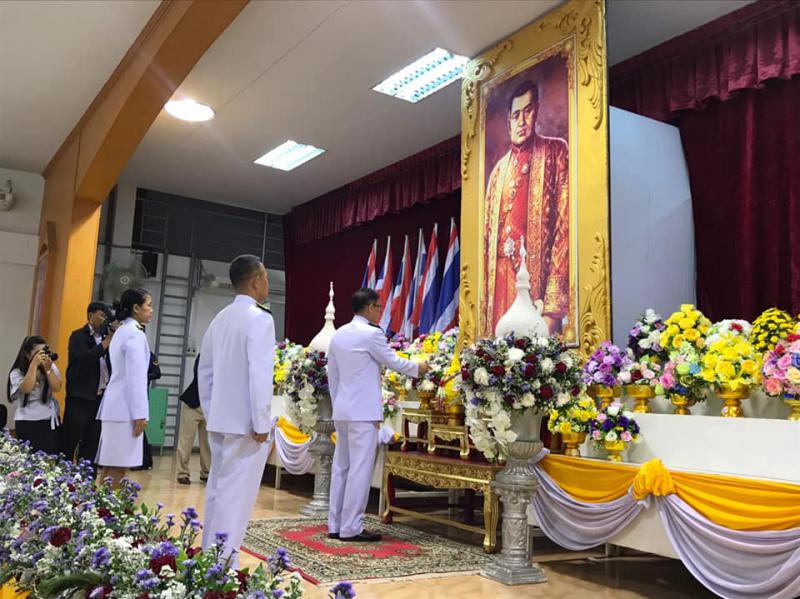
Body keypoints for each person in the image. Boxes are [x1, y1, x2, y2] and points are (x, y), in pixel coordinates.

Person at [327, 287, 428, 542]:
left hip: (343, 410)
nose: (380, 312)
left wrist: (338, 405)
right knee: (359, 470)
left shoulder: (339, 334)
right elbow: (393, 361)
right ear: (370, 307)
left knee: (341, 468)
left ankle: (335, 524)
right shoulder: (371, 334)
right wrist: (418, 368)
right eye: (379, 307)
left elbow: (333, 376)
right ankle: (351, 527)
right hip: (362, 412)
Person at [198, 254, 274, 567]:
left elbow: (204, 371)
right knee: (236, 497)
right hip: (246, 425)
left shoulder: (221, 317)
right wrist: (261, 422)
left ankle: (209, 556)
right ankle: (224, 565)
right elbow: (260, 375)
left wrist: (211, 411)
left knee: (218, 491)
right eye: (265, 277)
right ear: (256, 281)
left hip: (220, 419)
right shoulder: (260, 318)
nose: (267, 283)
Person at [483, 79, 570, 336]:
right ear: (508, 120)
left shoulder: (555, 152)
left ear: (537, 111)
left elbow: (565, 230)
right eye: (516, 115)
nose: (522, 121)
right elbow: (486, 243)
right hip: (500, 285)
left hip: (534, 288)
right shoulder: (498, 172)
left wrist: (552, 310)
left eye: (528, 111)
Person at [96, 288, 154, 489]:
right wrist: (140, 413)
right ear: (136, 308)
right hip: (124, 409)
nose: (151, 310)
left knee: (110, 465)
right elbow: (136, 378)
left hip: (115, 406)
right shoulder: (134, 334)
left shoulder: (122, 330)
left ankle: (102, 504)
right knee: (118, 467)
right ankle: (111, 506)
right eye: (148, 305)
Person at [62, 301, 115, 476]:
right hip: (79, 398)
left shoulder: (108, 340)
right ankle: (64, 479)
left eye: (107, 317)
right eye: (102, 315)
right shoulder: (78, 336)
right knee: (70, 440)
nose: (105, 320)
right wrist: (106, 343)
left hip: (99, 399)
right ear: (90, 315)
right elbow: (86, 359)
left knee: (92, 443)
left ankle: (87, 481)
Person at [7, 336, 63, 454]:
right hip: (28, 421)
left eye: (45, 351)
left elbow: (57, 387)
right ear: (27, 354)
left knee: (50, 458)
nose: (43, 356)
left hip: (49, 420)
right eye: (39, 353)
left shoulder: (50, 366)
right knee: (29, 458)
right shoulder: (17, 372)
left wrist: (48, 370)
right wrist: (34, 365)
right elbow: (26, 388)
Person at [175, 353, 211, 485]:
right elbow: (199, 376)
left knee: (207, 442)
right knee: (186, 440)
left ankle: (206, 473)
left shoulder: (224, 357)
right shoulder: (203, 355)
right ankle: (182, 473)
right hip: (193, 403)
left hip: (210, 407)